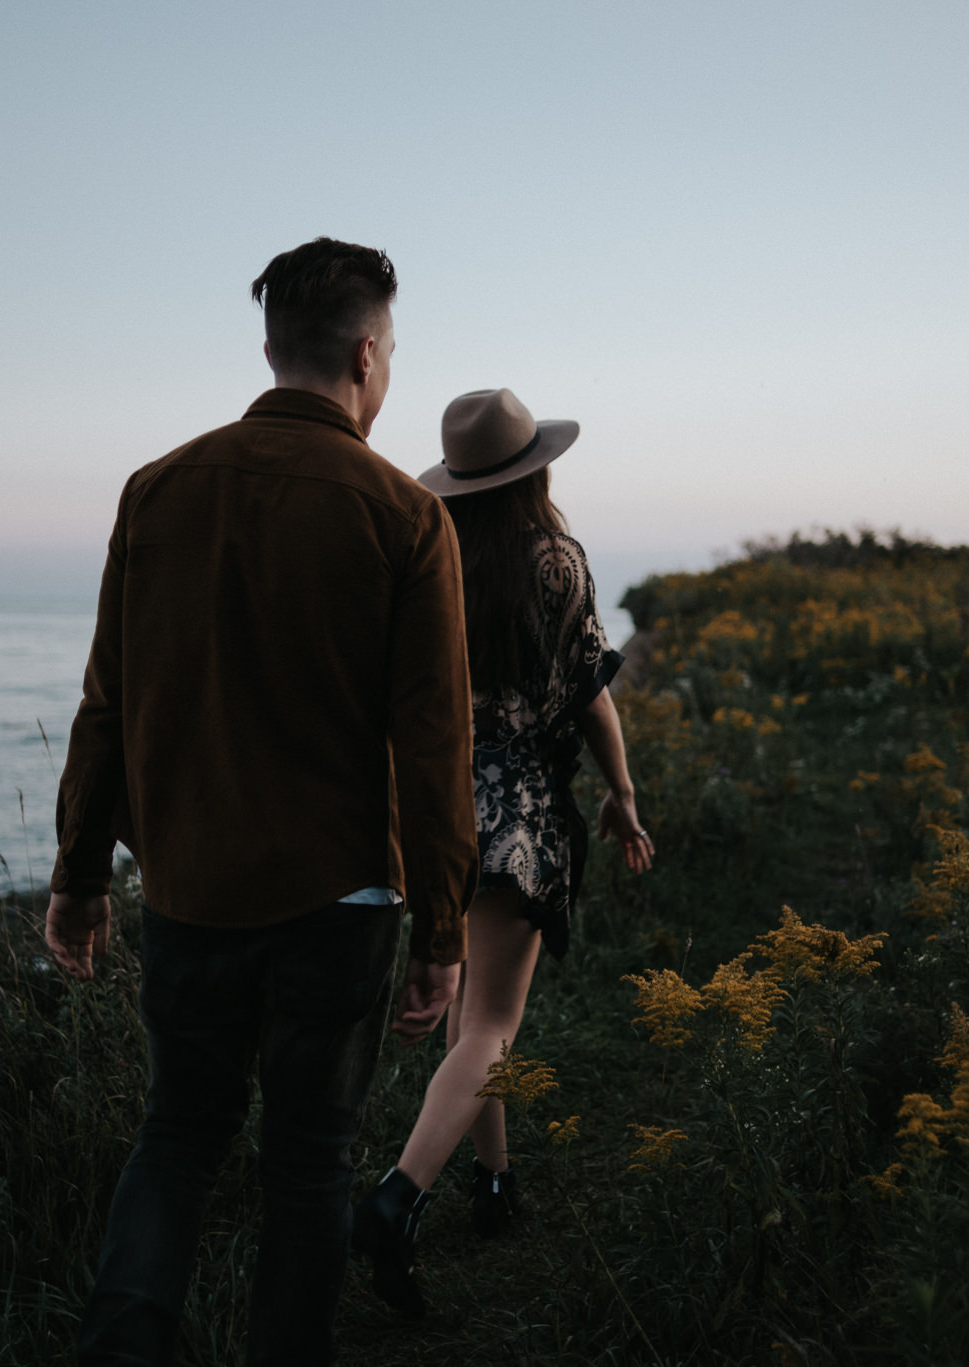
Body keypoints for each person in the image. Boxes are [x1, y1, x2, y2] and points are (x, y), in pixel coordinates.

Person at [44, 238, 479, 1367]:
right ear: (368, 354)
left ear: (272, 345)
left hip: (189, 890)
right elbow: (434, 742)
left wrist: (81, 873)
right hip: (341, 898)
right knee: (308, 1162)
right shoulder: (404, 517)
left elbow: (107, 700)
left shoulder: (158, 488)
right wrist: (441, 926)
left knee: (177, 1137)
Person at [351, 388, 655, 1317]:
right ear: (537, 471)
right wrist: (624, 796)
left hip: (432, 803)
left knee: (473, 1013)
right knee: (491, 1024)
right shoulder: (555, 560)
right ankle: (397, 1196)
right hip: (519, 807)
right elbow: (592, 693)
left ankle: (494, 1180)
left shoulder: (425, 549)